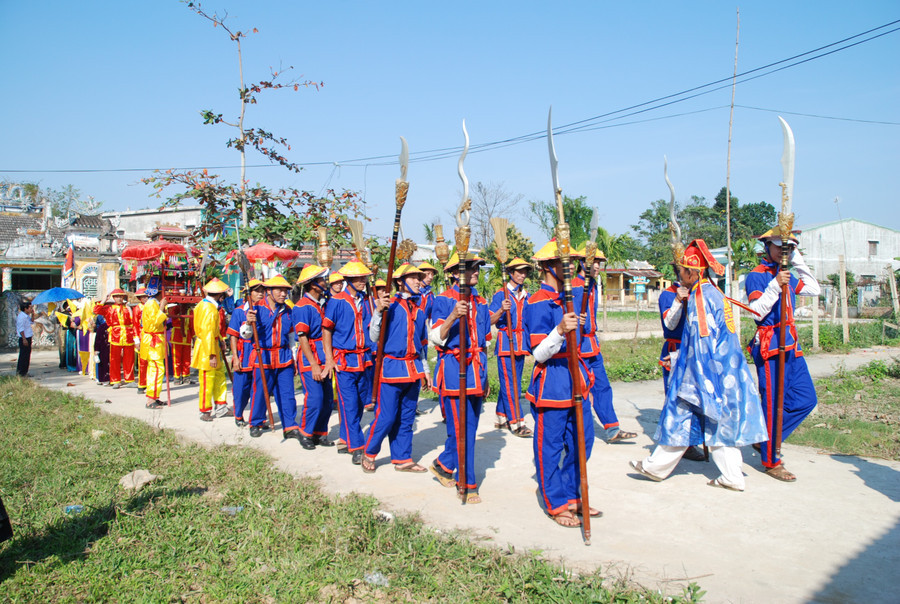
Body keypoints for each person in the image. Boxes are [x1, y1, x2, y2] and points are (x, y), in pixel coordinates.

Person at [630, 239, 768, 491]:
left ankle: (656, 466)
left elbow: (702, 341)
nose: (679, 276)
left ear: (692, 272)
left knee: (684, 415)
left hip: (705, 372)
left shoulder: (700, 297)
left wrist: (691, 372)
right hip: (723, 370)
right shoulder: (711, 292)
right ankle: (729, 476)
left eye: (681, 271)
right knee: (716, 423)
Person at [524, 241, 596, 527]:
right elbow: (537, 353)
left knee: (583, 441)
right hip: (551, 379)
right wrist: (559, 330)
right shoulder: (536, 301)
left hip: (576, 377)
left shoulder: (575, 293)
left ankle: (571, 493)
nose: (569, 268)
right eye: (562, 263)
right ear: (546, 267)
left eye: (570, 262)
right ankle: (555, 501)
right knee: (549, 445)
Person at [746, 227, 821, 482]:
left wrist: (798, 261)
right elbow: (756, 312)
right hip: (770, 345)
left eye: (788, 247)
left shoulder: (786, 272)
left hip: (791, 344)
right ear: (767, 247)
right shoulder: (757, 276)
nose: (783, 251)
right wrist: (775, 287)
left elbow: (813, 289)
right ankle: (771, 460)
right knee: (772, 404)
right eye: (779, 246)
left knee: (805, 399)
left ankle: (764, 438)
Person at [428, 252, 490, 504]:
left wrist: (485, 378)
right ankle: (467, 483)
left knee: (469, 428)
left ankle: (444, 465)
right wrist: (454, 315)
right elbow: (435, 338)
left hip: (477, 369)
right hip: (454, 369)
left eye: (477, 267)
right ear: (454, 273)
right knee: (462, 429)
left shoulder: (482, 302)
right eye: (469, 268)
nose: (476, 271)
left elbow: (484, 342)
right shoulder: (443, 300)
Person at [361, 263, 431, 473]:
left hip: (413, 367)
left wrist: (425, 369)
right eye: (413, 278)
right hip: (392, 367)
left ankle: (402, 458)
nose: (419, 281)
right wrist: (378, 312)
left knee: (407, 416)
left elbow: (421, 344)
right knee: (387, 416)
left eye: (419, 278)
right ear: (400, 282)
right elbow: (373, 336)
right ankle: (369, 451)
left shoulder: (419, 309)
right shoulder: (389, 305)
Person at [573, 251, 636, 444]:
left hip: (592, 344)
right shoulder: (574, 287)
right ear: (583, 264)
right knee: (579, 390)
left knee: (602, 386)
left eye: (600, 263)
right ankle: (576, 431)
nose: (598, 266)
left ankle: (612, 428)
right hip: (578, 345)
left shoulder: (592, 286)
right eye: (595, 262)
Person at [322, 261, 375, 464]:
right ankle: (357, 447)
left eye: (364, 278)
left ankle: (345, 438)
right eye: (359, 278)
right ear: (349, 281)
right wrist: (329, 358)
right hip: (344, 360)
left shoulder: (365, 301)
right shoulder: (337, 301)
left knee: (361, 402)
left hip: (363, 359)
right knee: (350, 404)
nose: (363, 282)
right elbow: (327, 329)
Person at [246, 275, 302, 441]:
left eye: (285, 291)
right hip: (263, 356)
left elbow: (291, 336)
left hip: (283, 356)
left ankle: (290, 425)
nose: (284, 294)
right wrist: (248, 323)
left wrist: (294, 357)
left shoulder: (288, 310)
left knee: (287, 393)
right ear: (269, 292)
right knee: (260, 392)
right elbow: (246, 334)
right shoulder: (254, 308)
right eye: (280, 290)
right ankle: (256, 422)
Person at [658, 276, 706, 463]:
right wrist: (678, 301)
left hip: (695, 350)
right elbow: (669, 324)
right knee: (676, 399)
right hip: (675, 349)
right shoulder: (667, 294)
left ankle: (691, 441)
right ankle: (675, 443)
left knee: (695, 398)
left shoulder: (699, 292)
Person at [292, 265, 335, 449]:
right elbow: (302, 338)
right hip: (310, 357)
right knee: (315, 398)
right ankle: (305, 432)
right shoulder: (302, 307)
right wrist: (314, 365)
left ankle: (320, 432)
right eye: (321, 280)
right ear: (313, 285)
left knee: (326, 398)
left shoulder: (323, 303)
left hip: (324, 354)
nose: (325, 283)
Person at [489, 257, 532, 437]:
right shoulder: (501, 295)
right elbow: (489, 321)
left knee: (513, 381)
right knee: (510, 383)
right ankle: (516, 422)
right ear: (511, 273)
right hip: (507, 343)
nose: (522, 275)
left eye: (525, 272)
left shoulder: (526, 295)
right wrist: (501, 310)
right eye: (519, 272)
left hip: (521, 344)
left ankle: (501, 416)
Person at [191, 278, 232, 422]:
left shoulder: (207, 305)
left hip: (213, 344)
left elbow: (213, 330)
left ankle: (221, 406)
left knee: (220, 376)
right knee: (207, 379)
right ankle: (205, 410)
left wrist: (221, 340)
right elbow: (207, 332)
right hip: (207, 348)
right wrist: (211, 354)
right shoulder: (208, 308)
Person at [227, 279, 265, 428]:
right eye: (257, 291)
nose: (261, 294)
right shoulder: (239, 312)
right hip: (244, 355)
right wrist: (235, 358)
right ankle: (238, 414)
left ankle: (258, 418)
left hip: (260, 355)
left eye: (262, 291)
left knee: (259, 389)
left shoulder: (265, 310)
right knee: (241, 389)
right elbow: (233, 336)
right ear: (248, 294)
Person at [93, 289, 136, 389]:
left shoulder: (128, 308)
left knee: (129, 359)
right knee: (114, 359)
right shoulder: (109, 308)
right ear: (113, 298)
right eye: (117, 297)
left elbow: (133, 321)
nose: (119, 299)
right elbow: (96, 310)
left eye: (121, 297)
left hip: (128, 335)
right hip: (115, 335)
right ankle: (115, 380)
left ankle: (129, 379)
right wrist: (103, 300)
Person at [140, 282, 169, 408]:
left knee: (156, 369)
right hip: (153, 340)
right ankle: (151, 399)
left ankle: (155, 397)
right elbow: (155, 322)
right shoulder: (152, 304)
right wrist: (162, 308)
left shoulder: (152, 303)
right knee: (156, 369)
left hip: (155, 340)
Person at [170, 303, 193, 384]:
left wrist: (194, 336)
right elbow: (173, 318)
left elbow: (192, 325)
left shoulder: (190, 311)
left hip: (187, 336)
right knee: (177, 358)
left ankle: (186, 376)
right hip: (177, 336)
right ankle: (177, 377)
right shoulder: (176, 308)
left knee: (187, 358)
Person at [132, 288, 148, 393]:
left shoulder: (153, 306)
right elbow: (135, 325)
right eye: (143, 297)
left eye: (147, 296)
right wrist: (136, 340)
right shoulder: (137, 308)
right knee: (142, 361)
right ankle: (141, 384)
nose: (145, 298)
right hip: (142, 336)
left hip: (152, 336)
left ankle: (150, 384)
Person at [16, 300, 34, 377]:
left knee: (27, 355)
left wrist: (33, 314)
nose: (31, 309)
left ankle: (24, 372)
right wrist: (24, 339)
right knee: (23, 356)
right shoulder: (21, 317)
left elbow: (32, 322)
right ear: (25, 309)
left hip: (28, 337)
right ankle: (21, 372)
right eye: (30, 308)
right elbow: (21, 329)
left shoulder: (26, 316)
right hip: (24, 338)